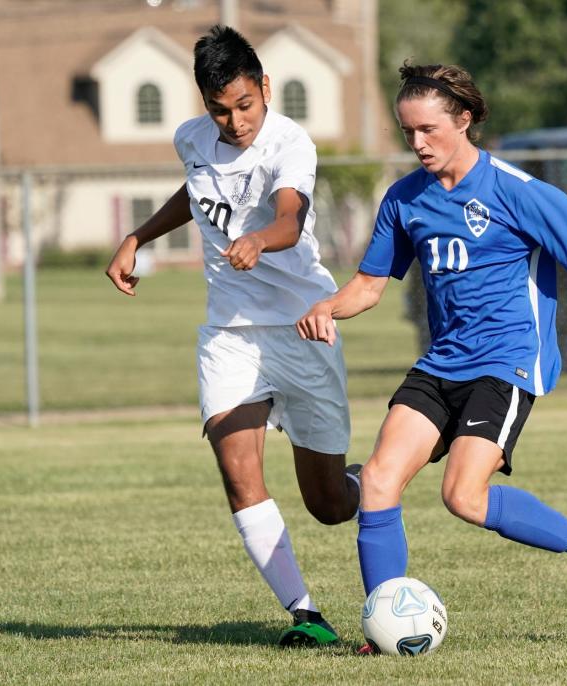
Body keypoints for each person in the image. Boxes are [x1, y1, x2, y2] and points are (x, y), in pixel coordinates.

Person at [296, 63, 567, 643]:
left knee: (463, 496)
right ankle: (385, 626)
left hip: (508, 364)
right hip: (441, 363)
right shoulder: (404, 198)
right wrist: (324, 308)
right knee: (380, 481)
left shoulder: (520, 191)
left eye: (428, 130)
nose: (417, 144)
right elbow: (369, 286)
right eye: (407, 131)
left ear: (464, 120)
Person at [105, 25, 359, 648]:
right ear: (203, 104)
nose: (236, 120)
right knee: (236, 468)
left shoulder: (289, 143)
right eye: (221, 110)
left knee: (328, 504)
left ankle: (375, 483)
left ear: (264, 88)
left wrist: (260, 239)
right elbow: (194, 194)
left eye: (245, 105)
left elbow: (291, 218)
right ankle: (307, 615)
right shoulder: (191, 138)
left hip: (302, 327)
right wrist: (138, 237)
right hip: (229, 333)